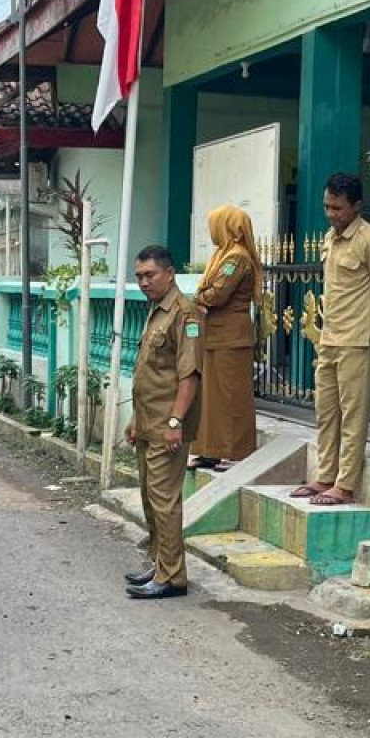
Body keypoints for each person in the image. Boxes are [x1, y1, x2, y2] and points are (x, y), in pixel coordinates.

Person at [295, 172, 370, 506]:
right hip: (330, 337)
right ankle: (325, 476)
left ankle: (345, 485)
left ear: (356, 206)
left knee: (353, 415)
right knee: (326, 412)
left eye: (337, 207)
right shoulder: (329, 238)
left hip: (359, 340)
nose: (331, 213)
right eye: (327, 206)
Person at [122, 246, 202, 602]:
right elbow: (150, 373)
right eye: (139, 276)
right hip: (149, 422)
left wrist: (175, 421)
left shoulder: (185, 313)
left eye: (149, 275)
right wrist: (136, 420)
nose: (143, 282)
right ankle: (160, 563)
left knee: (164, 500)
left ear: (169, 273)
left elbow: (189, 375)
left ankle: (173, 577)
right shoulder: (157, 311)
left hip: (168, 425)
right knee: (151, 499)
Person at [191, 206, 260, 471]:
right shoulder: (222, 255)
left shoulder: (237, 258)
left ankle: (235, 452)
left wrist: (200, 296)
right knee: (211, 398)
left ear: (226, 226)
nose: (210, 231)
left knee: (231, 397)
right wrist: (202, 294)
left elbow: (217, 294)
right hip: (216, 334)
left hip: (231, 335)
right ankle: (210, 450)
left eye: (213, 224)